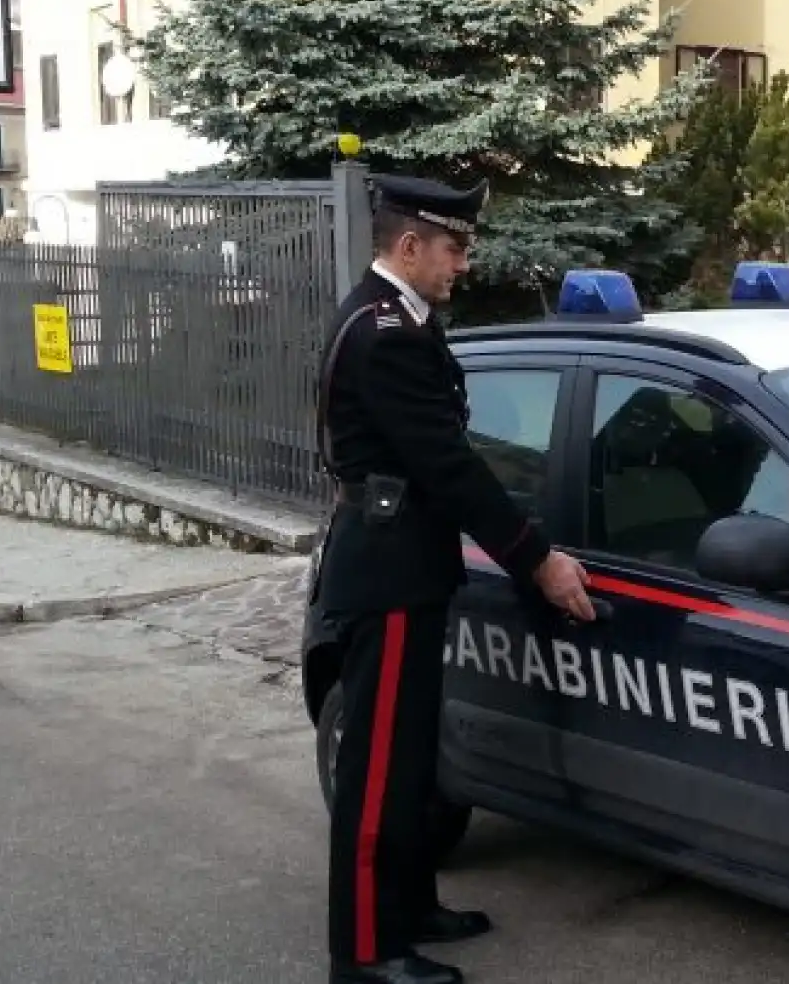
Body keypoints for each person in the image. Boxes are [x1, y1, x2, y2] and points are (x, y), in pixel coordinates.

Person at [313, 173, 596, 984]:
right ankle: (366, 950)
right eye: (454, 247)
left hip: (404, 558)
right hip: (391, 571)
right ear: (410, 246)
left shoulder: (396, 318)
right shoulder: (385, 333)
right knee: (376, 769)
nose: (463, 263)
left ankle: (408, 906)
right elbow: (450, 468)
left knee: (409, 756)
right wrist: (535, 557)